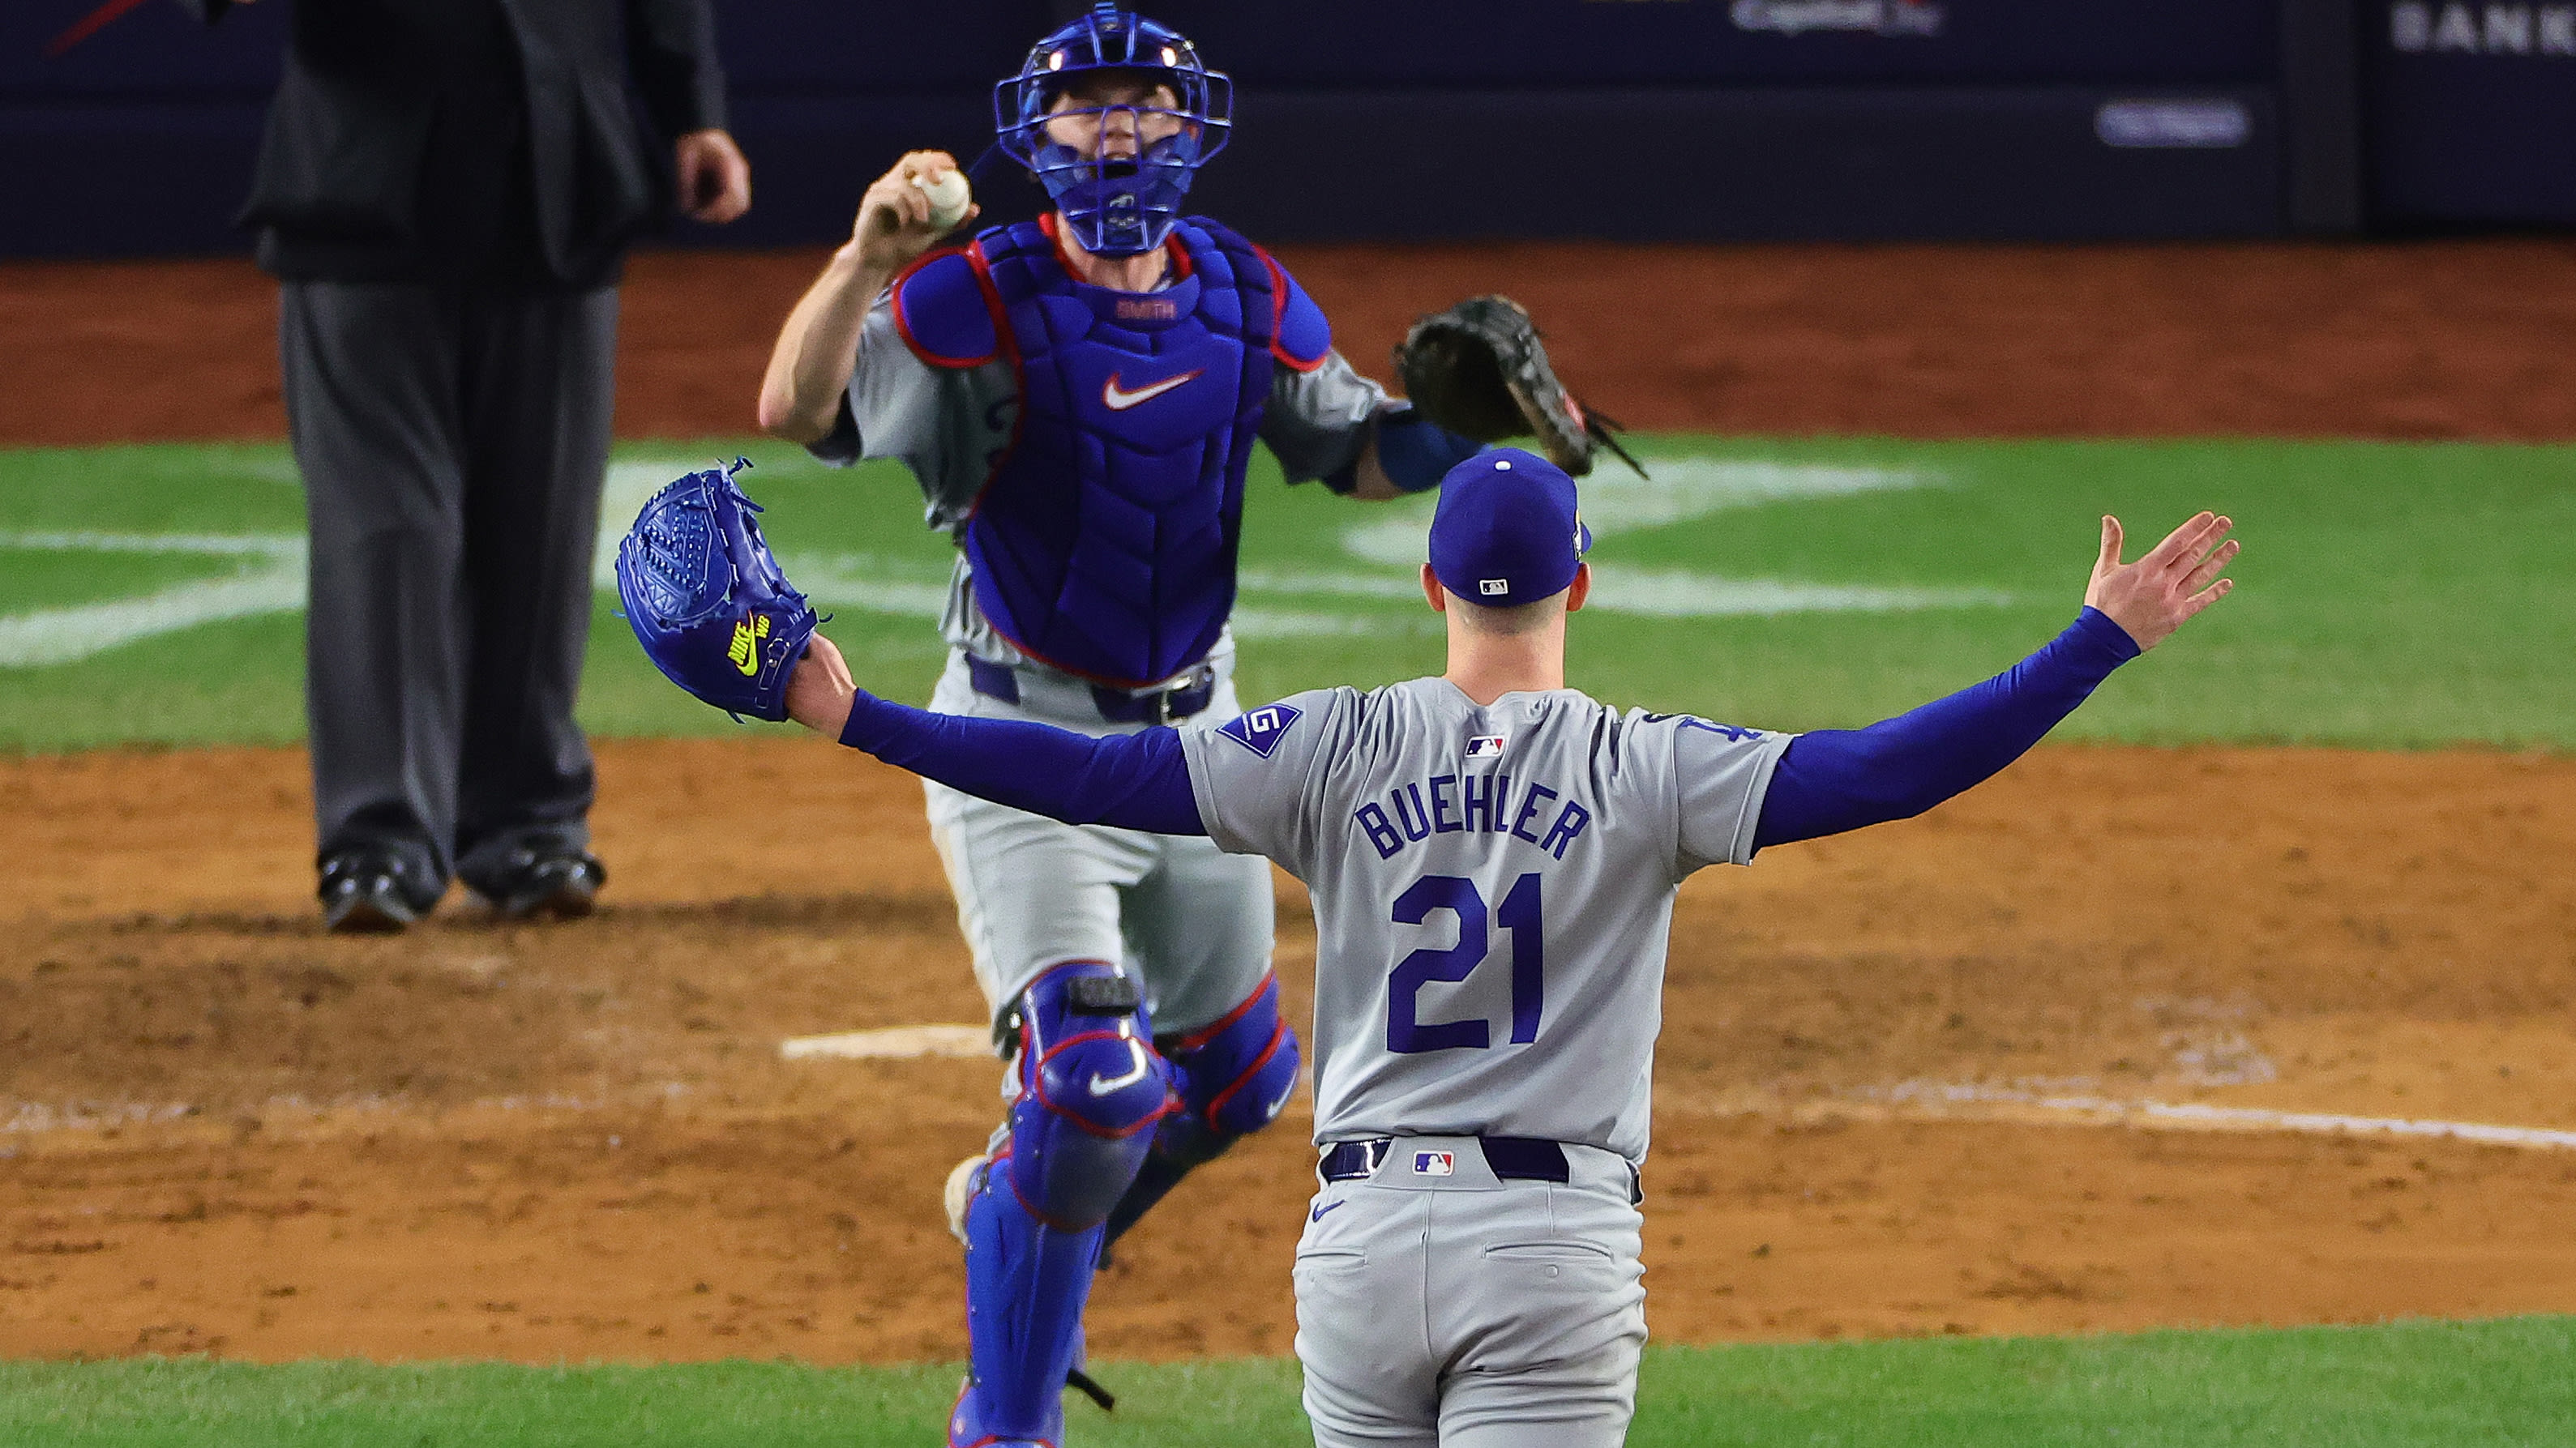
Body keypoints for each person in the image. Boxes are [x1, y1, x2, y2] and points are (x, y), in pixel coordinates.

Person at [772, 448, 2238, 1446]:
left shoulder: (1330, 742)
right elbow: (1883, 770)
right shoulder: (1645, 765)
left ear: (1427, 586)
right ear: (1576, 588)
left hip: (1352, 1249)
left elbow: (1091, 775)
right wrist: (2091, 642)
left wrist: (865, 722)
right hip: (1547, 1252)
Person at [752, 7, 1491, 1439]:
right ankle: (1005, 1416)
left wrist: (1472, 418)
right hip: (1021, 746)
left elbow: (1353, 451)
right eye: (1088, 110)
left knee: (1237, 1083)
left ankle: (1021, 1224)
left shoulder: (1240, 293)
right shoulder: (973, 299)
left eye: (1141, 107)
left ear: (1187, 124)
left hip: (1197, 745)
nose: (1118, 133)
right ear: (1038, 137)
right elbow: (798, 409)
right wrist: (864, 259)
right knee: (1092, 1083)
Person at [180, 0, 752, 931]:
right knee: (389, 528)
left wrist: (693, 107)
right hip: (360, 187)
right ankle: (380, 838)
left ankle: (528, 824)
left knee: (542, 524)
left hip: (558, 180)